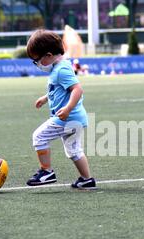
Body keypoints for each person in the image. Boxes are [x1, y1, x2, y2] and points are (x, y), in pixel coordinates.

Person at [25, 29, 96, 189]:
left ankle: (46, 171)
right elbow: (58, 90)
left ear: (48, 55)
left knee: (39, 137)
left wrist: (68, 108)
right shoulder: (59, 67)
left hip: (67, 118)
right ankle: (87, 179)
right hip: (76, 119)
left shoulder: (61, 70)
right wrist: (45, 98)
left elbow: (77, 89)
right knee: (74, 151)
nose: (37, 65)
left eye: (36, 60)